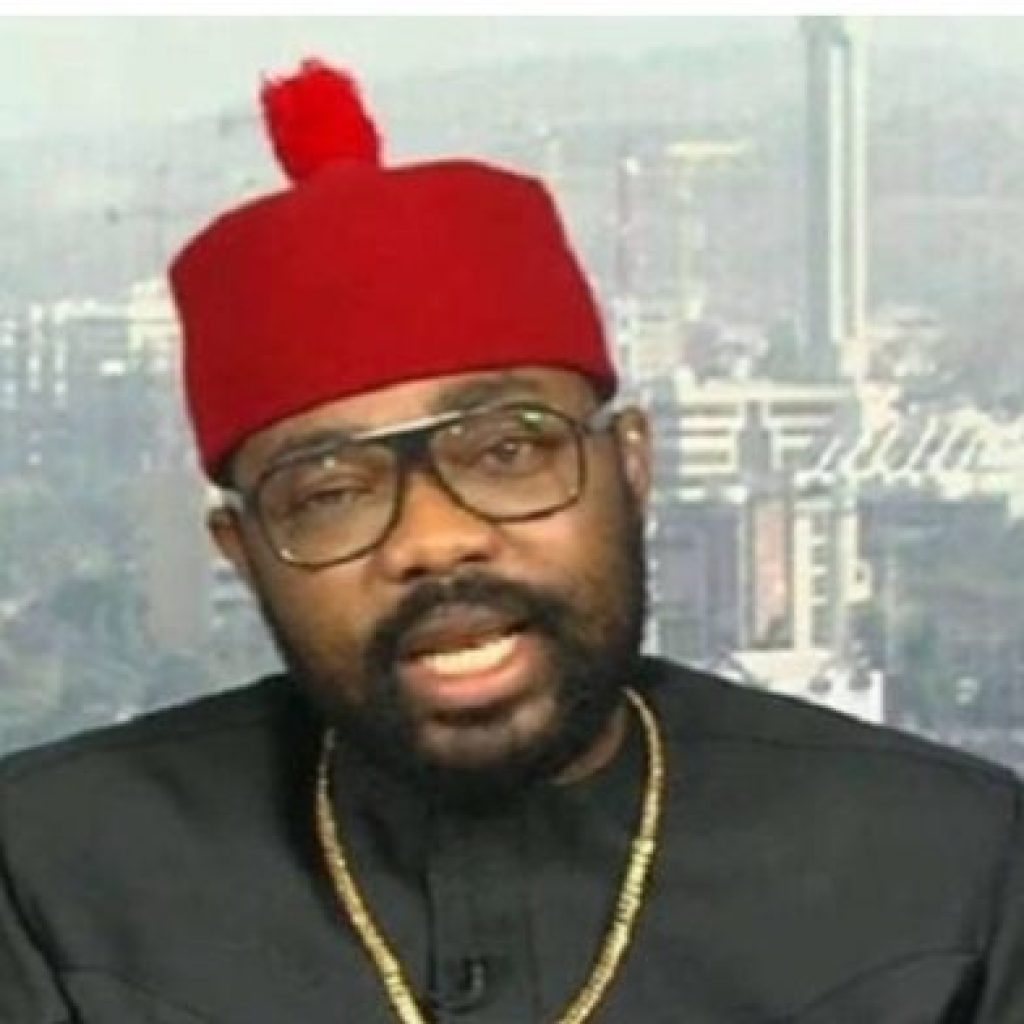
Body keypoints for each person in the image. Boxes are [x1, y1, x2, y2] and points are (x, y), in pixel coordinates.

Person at [1, 59, 1022, 1024]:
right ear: (241, 551)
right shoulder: (47, 879)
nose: (435, 539)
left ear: (631, 467)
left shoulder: (951, 869)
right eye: (332, 492)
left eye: (506, 451)